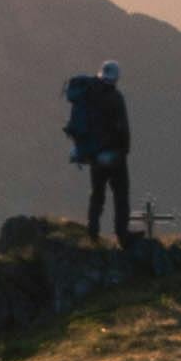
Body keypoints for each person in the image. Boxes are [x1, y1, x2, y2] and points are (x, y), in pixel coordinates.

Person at [63, 60, 133, 238]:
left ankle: (93, 232)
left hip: (94, 153)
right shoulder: (115, 98)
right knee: (120, 195)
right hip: (114, 155)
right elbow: (122, 129)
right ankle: (122, 234)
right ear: (116, 78)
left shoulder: (88, 94)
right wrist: (124, 149)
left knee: (97, 194)